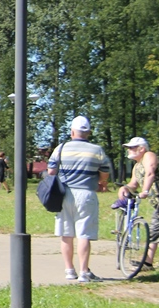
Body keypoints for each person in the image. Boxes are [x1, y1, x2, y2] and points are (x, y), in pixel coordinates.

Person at [47, 116, 111, 282]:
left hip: (64, 193)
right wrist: (102, 183)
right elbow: (105, 171)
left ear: (72, 132)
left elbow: (51, 171)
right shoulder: (97, 150)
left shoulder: (61, 148)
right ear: (88, 132)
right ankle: (84, 272)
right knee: (84, 233)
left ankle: (69, 270)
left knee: (66, 234)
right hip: (86, 193)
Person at [117, 137, 159, 270]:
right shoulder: (137, 166)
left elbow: (150, 172)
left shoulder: (149, 156)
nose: (129, 150)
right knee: (155, 231)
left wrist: (145, 191)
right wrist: (125, 188)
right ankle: (148, 263)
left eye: (132, 147)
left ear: (141, 148)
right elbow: (133, 184)